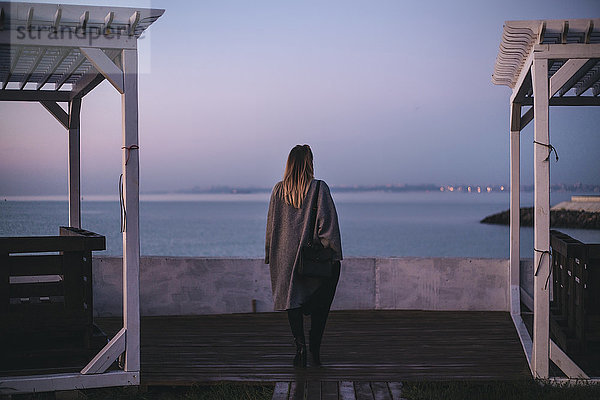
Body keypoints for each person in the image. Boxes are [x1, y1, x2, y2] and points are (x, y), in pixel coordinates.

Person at [265, 144, 342, 367]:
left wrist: (271, 254)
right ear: (309, 163)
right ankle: (315, 350)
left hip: (284, 258)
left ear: (289, 164)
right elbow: (327, 227)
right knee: (320, 305)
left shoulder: (278, 190)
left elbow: (271, 226)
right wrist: (333, 252)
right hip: (311, 259)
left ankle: (300, 349)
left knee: (292, 301)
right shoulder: (319, 188)